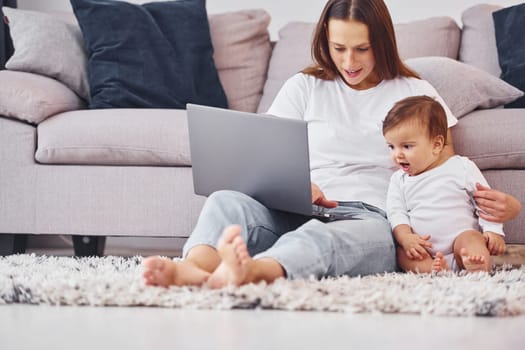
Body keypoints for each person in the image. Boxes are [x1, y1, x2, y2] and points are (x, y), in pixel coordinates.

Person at [142, 0, 521, 288]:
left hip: (369, 219)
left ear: (382, 43)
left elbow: (446, 171)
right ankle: (195, 269)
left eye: (362, 49)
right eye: (339, 48)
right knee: (225, 201)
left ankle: (251, 271)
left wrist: (493, 210)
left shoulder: (416, 93)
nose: (349, 62)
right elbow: (260, 155)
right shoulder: (305, 86)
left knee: (320, 237)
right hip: (296, 206)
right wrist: (289, 185)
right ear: (326, 41)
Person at [383, 95, 507, 273]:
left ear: (436, 144)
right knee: (401, 253)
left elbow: (486, 202)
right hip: (424, 249)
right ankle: (434, 270)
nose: (397, 155)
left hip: (460, 242)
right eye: (391, 147)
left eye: (407, 146)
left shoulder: (461, 167)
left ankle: (476, 265)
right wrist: (406, 238)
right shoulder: (398, 180)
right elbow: (396, 213)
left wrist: (493, 231)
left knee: (472, 239)